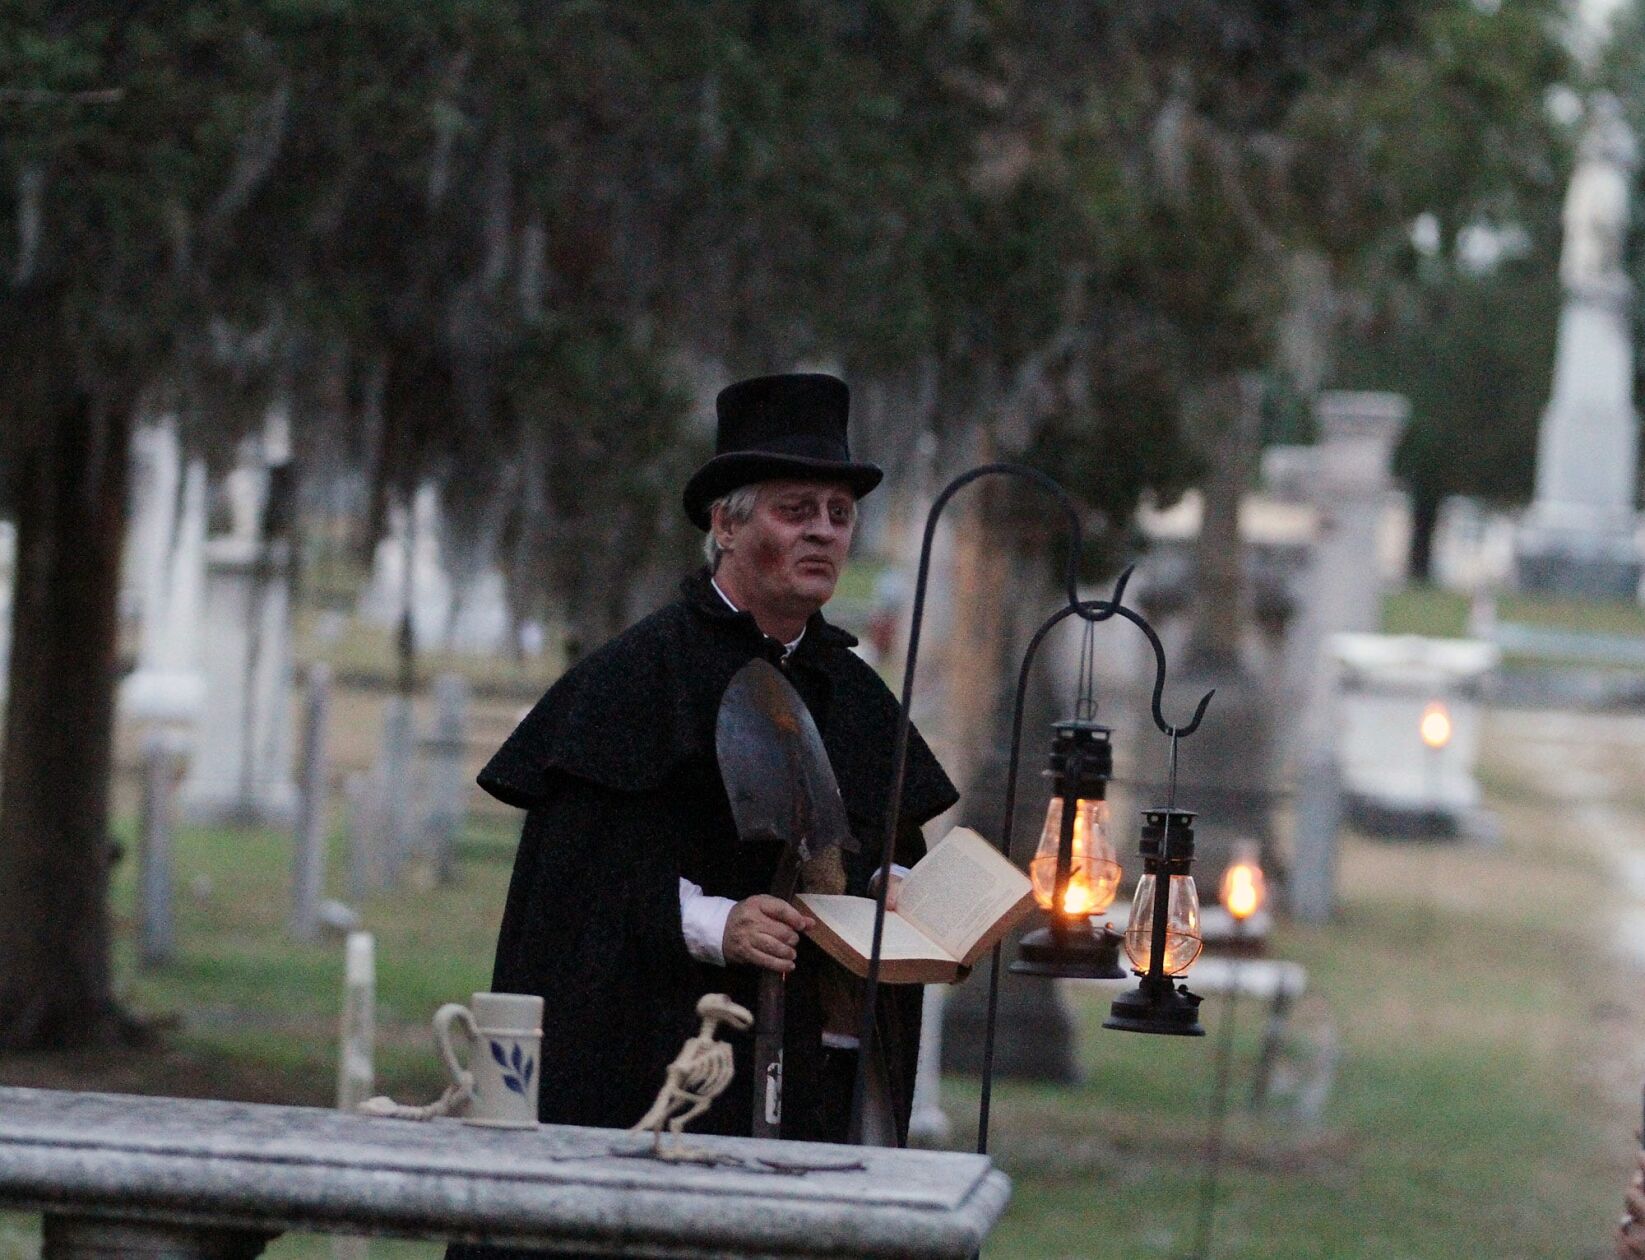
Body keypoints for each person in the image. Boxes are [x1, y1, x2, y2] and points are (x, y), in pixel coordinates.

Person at [472, 372, 957, 1148]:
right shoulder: (638, 678)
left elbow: (871, 842)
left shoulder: (854, 692)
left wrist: (892, 887)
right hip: (663, 1064)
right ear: (725, 527)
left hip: (821, 1070)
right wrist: (712, 922)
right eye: (795, 511)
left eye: (838, 514)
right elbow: (576, 890)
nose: (823, 532)